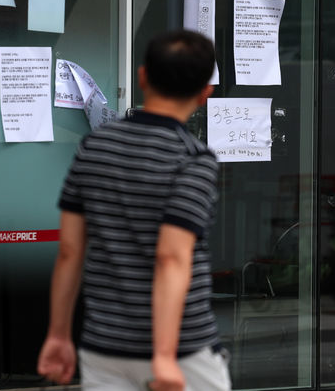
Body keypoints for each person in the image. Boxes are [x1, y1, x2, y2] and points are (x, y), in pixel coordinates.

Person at [37, 30, 231, 391]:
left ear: (142, 77)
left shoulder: (94, 147)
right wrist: (163, 355)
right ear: (206, 93)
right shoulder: (192, 159)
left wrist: (59, 335)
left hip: (104, 344)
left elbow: (69, 252)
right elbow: (171, 258)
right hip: (182, 348)